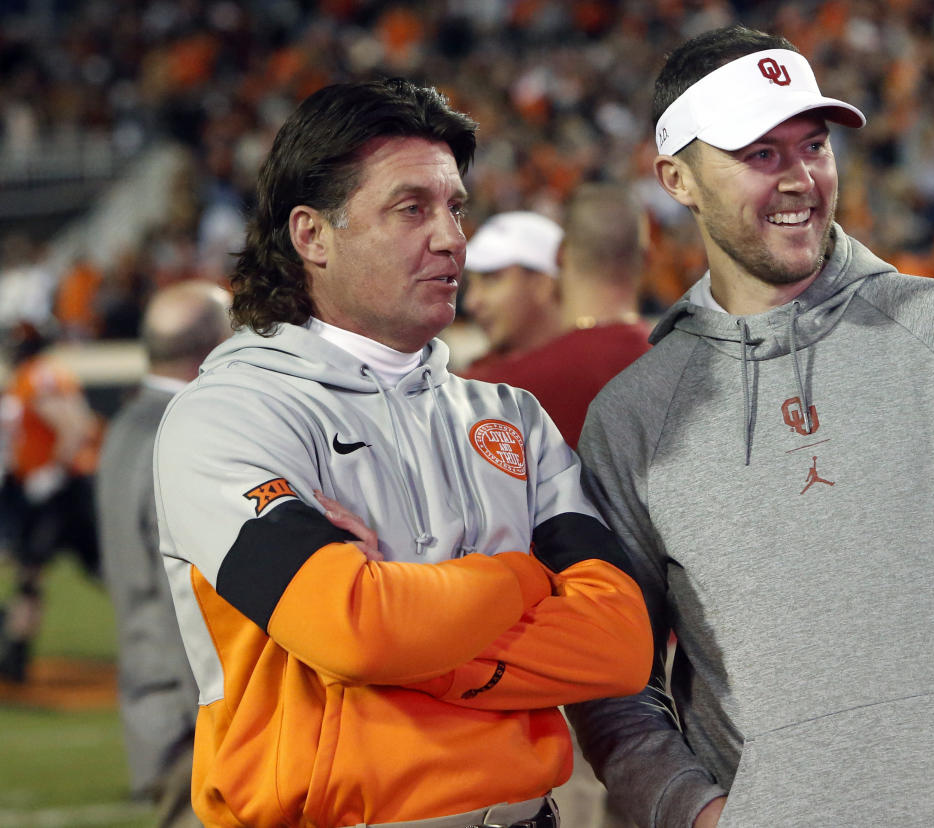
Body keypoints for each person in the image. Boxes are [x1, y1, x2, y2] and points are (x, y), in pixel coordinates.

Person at [567, 25, 934, 828]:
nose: (801, 178)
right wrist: (698, 813)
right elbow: (612, 674)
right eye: (760, 154)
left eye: (813, 146)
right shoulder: (634, 415)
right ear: (678, 180)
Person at [152, 78, 651, 828]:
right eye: (411, 208)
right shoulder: (226, 416)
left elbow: (619, 645)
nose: (452, 238)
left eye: (455, 207)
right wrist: (523, 575)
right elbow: (356, 629)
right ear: (311, 235)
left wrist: (412, 621)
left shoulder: (508, 414)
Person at [95, 280, 232, 828]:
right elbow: (185, 587)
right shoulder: (181, 430)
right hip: (190, 705)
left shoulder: (126, 426)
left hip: (154, 695)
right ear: (213, 344)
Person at [466, 183, 652, 449]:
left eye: (492, 279)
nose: (472, 302)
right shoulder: (670, 362)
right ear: (646, 258)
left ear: (554, 267)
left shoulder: (496, 391)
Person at [0, 320, 102, 683]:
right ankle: (14, 653)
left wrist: (53, 472)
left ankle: (14, 653)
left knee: (102, 570)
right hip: (54, 489)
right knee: (32, 571)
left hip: (63, 491)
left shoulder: (39, 375)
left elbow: (76, 427)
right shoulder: (31, 376)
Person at [462, 210, 564, 368]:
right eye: (471, 283)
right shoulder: (476, 377)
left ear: (542, 285)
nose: (471, 302)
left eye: (491, 279)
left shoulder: (595, 374)